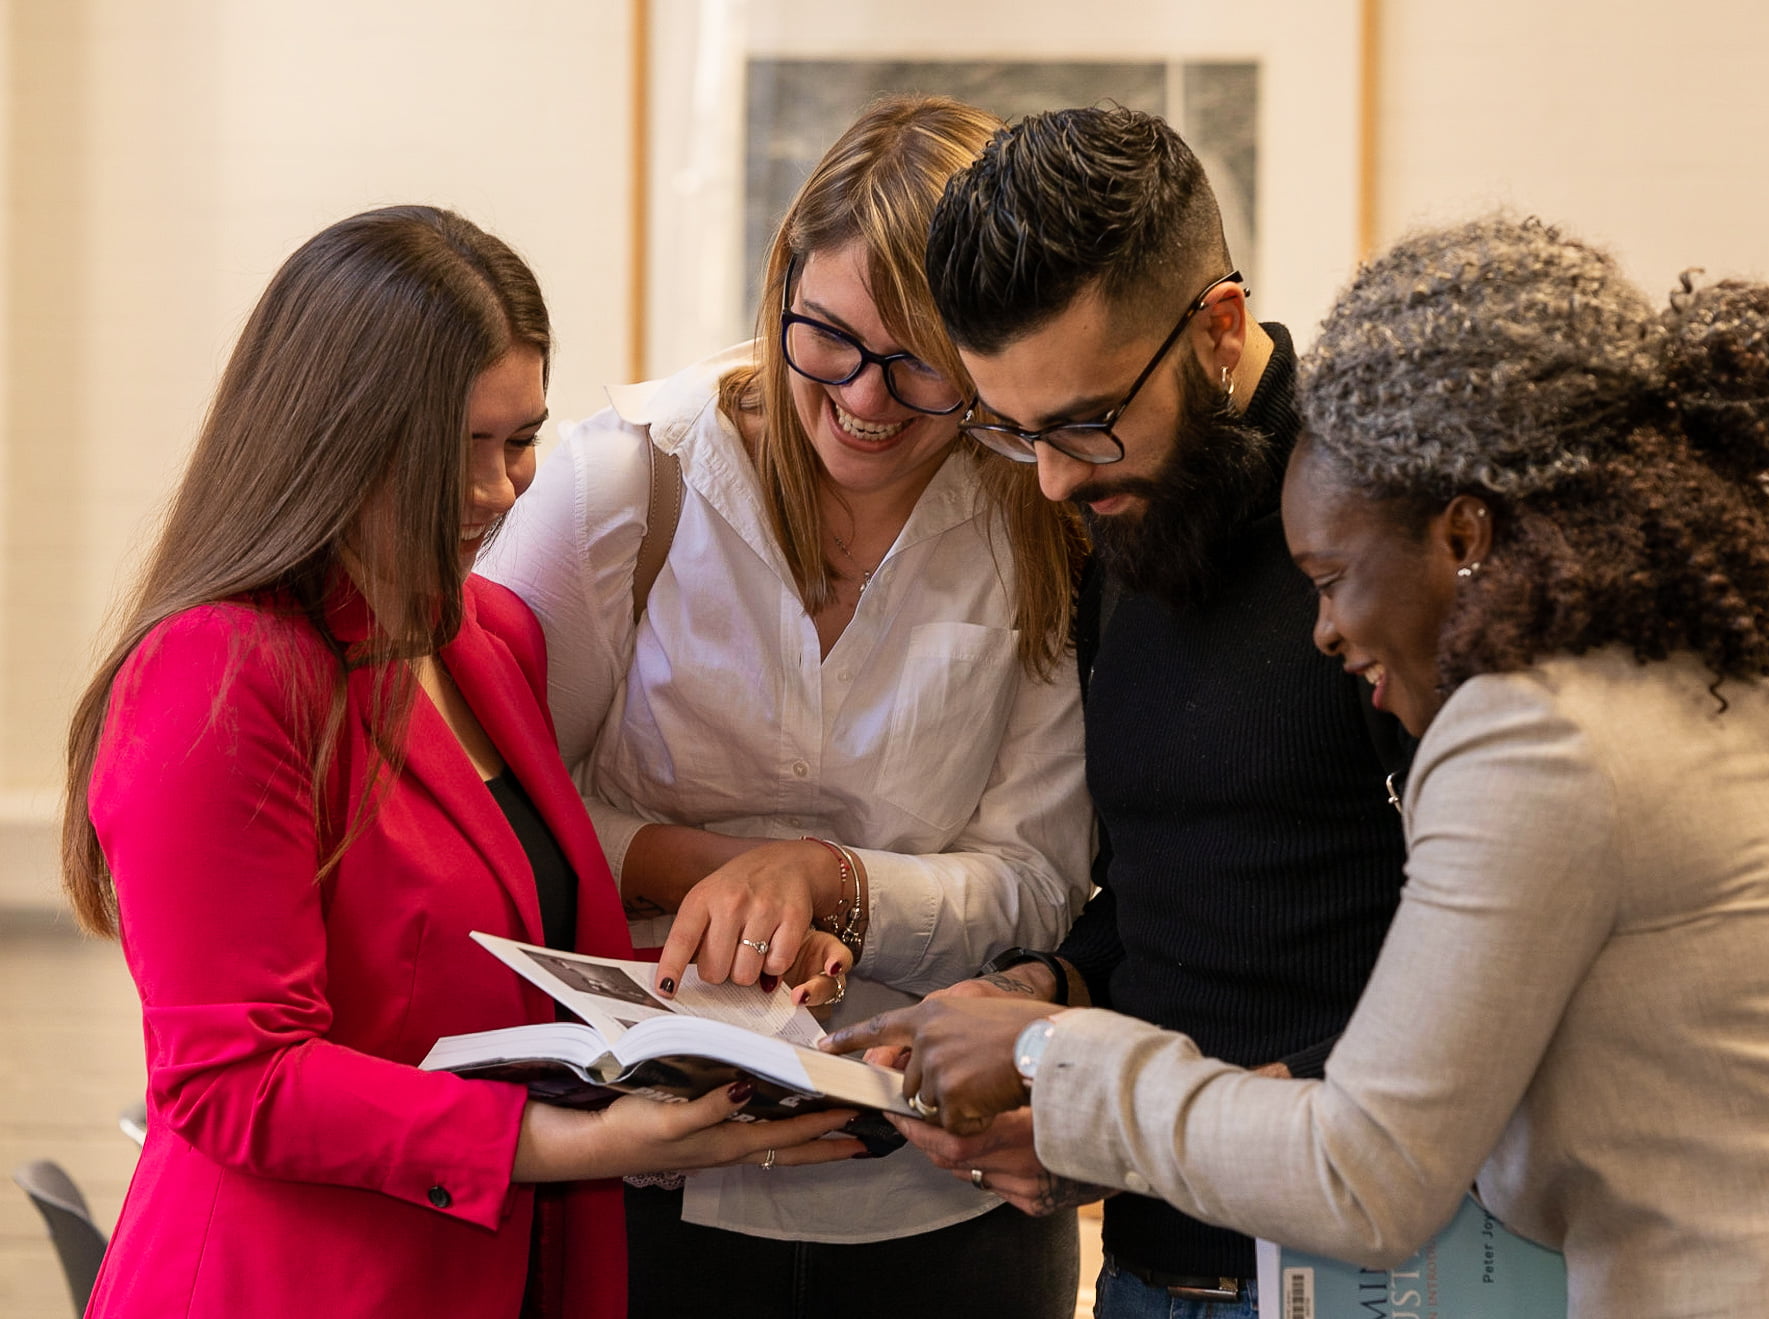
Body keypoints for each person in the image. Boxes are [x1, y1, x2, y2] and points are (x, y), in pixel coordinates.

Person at [827, 216, 1769, 1318]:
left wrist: (1049, 1055)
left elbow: (1365, 1173)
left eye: (1330, 577)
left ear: (1464, 538)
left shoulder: (1536, 741)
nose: (1323, 631)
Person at [59, 206, 860, 1319]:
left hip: (501, 1270)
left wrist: (721, 987)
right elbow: (233, 1077)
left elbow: (483, 966)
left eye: (520, 438)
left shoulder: (486, 637)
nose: (495, 490)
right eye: (455, 449)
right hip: (293, 1282)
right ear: (332, 435)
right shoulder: (218, 670)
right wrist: (570, 1139)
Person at [477, 96, 1092, 1318]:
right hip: (640, 1176)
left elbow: (1038, 874)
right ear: (780, 290)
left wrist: (830, 880)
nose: (866, 397)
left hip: (939, 1191)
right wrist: (715, 869)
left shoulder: (1043, 513)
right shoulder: (626, 483)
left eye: (922, 362)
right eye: (828, 338)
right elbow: (491, 813)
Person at [875, 105, 1410, 1316]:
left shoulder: (1378, 534)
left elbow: (1487, 982)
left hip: (1373, 1265)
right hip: (1146, 1266)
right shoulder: (1121, 513)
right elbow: (1183, 892)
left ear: (1217, 327)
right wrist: (1050, 989)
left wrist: (1112, 1122)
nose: (1058, 478)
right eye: (1014, 432)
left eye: (1084, 421)